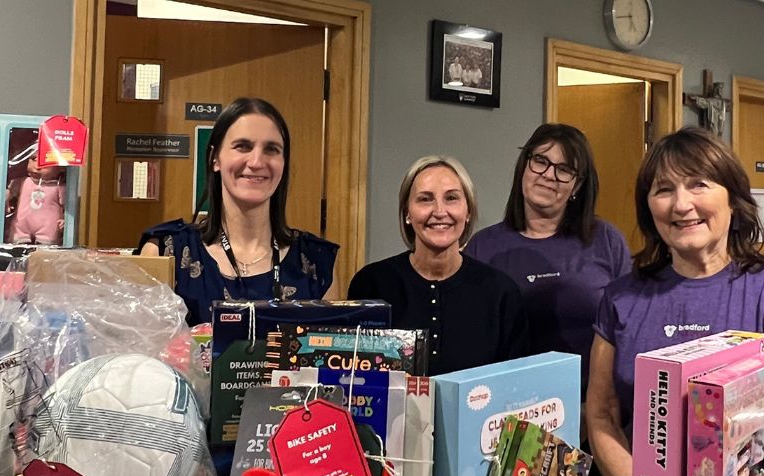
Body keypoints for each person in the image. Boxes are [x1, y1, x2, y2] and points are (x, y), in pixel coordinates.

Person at [587, 126, 764, 476]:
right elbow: (602, 413)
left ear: (733, 198)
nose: (682, 205)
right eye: (664, 189)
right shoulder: (621, 297)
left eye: (699, 184)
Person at [138, 97, 338, 325]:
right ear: (215, 158)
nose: (256, 161)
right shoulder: (166, 251)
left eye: (272, 149)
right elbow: (145, 352)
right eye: (243, 146)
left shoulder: (317, 263)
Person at [465, 124, 630, 393]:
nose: (548, 175)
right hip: (507, 405)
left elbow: (627, 330)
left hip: (591, 406)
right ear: (524, 167)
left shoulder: (606, 240)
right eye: (540, 161)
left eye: (564, 169)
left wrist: (600, 411)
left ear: (577, 185)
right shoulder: (483, 247)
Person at [347, 156, 528, 376]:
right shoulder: (371, 284)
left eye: (451, 198)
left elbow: (513, 388)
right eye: (425, 199)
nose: (440, 211)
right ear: (407, 213)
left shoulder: (500, 292)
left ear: (468, 211)